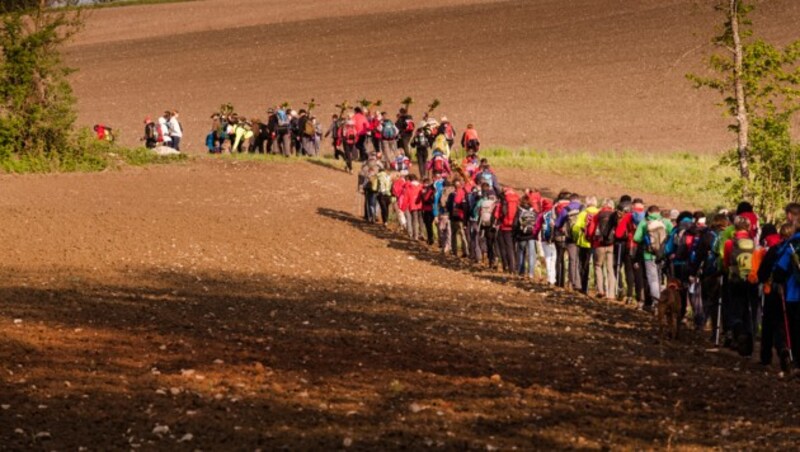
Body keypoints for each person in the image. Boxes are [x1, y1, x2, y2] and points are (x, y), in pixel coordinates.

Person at [756, 223, 792, 371]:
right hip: (792, 293)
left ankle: (767, 356)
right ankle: (788, 351)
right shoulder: (794, 249)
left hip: (774, 291)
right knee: (787, 324)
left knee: (770, 323)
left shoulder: (775, 250)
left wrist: (764, 280)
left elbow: (762, 273)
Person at [722, 215, 758, 356]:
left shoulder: (730, 243)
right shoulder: (753, 243)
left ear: (734, 227)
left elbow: (725, 262)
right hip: (750, 280)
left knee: (735, 309)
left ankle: (738, 337)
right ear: (748, 227)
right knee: (748, 309)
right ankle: (749, 337)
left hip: (735, 280)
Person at [634, 205, 673, 311]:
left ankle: (657, 303)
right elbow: (672, 234)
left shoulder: (644, 222)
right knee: (661, 279)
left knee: (653, 280)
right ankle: (666, 303)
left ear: (649, 212)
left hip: (648, 255)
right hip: (662, 255)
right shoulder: (665, 222)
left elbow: (636, 238)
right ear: (658, 212)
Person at [589, 198, 617, 300]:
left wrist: (592, 239)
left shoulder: (597, 215)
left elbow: (591, 230)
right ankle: (611, 294)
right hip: (611, 244)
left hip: (599, 244)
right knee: (610, 269)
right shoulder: (614, 215)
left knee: (598, 266)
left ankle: (600, 290)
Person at [556, 193, 584, 291]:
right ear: (578, 199)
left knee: (573, 260)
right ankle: (583, 285)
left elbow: (558, 224)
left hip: (571, 239)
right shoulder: (583, 208)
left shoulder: (566, 209)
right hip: (583, 239)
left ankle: (575, 283)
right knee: (582, 261)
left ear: (570, 200)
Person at [573, 196, 599, 295]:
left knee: (584, 265)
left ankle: (584, 287)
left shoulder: (583, 214)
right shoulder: (599, 213)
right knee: (597, 266)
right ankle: (598, 288)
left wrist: (576, 238)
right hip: (596, 243)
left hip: (584, 243)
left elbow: (576, 228)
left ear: (587, 204)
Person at [496, 185, 520, 273]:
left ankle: (511, 268)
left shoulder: (504, 199)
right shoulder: (517, 198)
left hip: (506, 226)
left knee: (508, 247)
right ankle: (517, 267)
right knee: (515, 247)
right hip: (516, 226)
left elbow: (502, 212)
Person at [514, 194, 539, 279]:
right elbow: (537, 223)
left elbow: (515, 224)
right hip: (531, 236)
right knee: (531, 255)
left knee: (521, 253)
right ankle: (531, 273)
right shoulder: (534, 211)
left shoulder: (519, 211)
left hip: (521, 236)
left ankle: (521, 272)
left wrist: (516, 233)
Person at [446, 180, 470, 258]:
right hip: (460, 218)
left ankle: (456, 251)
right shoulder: (464, 194)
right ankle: (464, 251)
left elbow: (448, 206)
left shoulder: (452, 195)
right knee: (461, 235)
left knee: (456, 235)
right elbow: (466, 208)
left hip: (456, 218)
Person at [539, 198, 558, 285]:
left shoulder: (542, 214)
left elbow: (537, 227)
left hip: (544, 239)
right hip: (554, 239)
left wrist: (535, 235)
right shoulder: (555, 213)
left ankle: (549, 278)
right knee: (553, 258)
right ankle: (553, 279)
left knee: (548, 258)